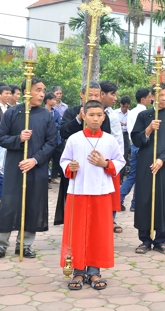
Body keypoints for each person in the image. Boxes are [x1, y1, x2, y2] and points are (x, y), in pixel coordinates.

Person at [0, 77, 58, 262]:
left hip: (36, 167)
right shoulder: (13, 113)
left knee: (33, 204)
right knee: (9, 205)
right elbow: (1, 138)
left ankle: (24, 245)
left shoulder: (46, 115)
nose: (42, 94)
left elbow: (52, 142)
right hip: (15, 167)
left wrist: (35, 160)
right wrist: (18, 138)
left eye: (43, 90)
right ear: (27, 91)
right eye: (38, 89)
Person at [59, 100, 126, 291]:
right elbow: (63, 161)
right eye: (91, 115)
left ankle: (94, 270)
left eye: (99, 115)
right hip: (78, 191)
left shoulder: (110, 140)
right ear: (84, 116)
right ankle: (78, 270)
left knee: (98, 232)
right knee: (77, 232)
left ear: (104, 117)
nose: (95, 118)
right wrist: (69, 167)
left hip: (101, 192)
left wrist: (105, 164)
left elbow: (120, 161)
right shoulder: (74, 139)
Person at [131, 83, 165, 254]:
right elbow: (136, 139)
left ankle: (161, 239)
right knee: (144, 198)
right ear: (153, 96)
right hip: (146, 163)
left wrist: (162, 159)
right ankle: (145, 239)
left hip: (164, 166)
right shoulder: (144, 116)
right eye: (161, 95)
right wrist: (148, 129)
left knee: (163, 198)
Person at [54, 82, 109, 226]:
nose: (93, 98)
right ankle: (73, 223)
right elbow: (64, 131)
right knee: (73, 196)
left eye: (96, 95)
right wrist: (79, 119)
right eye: (90, 95)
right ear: (82, 94)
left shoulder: (103, 116)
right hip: (76, 165)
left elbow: (108, 139)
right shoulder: (71, 112)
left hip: (96, 163)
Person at [121, 88, 152, 211]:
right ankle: (119, 198)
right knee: (136, 175)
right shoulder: (146, 113)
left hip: (134, 144)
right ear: (143, 99)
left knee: (136, 175)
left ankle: (134, 203)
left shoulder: (132, 112)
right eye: (149, 97)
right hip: (142, 145)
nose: (151, 99)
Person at [99, 81, 124, 230]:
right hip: (96, 158)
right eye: (112, 94)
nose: (115, 98)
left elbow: (118, 138)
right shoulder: (92, 112)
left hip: (112, 159)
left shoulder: (112, 114)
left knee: (112, 190)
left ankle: (111, 219)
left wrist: (119, 158)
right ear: (103, 94)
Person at [44, 92, 63, 183]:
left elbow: (59, 124)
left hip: (56, 139)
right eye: (54, 100)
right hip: (45, 139)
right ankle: (44, 178)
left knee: (57, 157)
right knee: (45, 159)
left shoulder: (56, 113)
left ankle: (53, 177)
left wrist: (51, 125)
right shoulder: (42, 111)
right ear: (48, 101)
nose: (55, 101)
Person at [118, 96, 131, 166]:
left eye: (126, 107)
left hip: (126, 134)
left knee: (125, 153)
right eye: (123, 106)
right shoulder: (115, 113)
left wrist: (128, 124)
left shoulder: (130, 114)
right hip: (118, 133)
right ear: (120, 104)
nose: (125, 108)